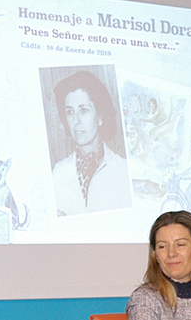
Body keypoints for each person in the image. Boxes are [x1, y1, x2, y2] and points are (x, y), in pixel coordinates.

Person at [50, 70, 131, 216]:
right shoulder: (59, 173)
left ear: (100, 117)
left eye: (84, 110)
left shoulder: (123, 171)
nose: (76, 121)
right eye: (69, 112)